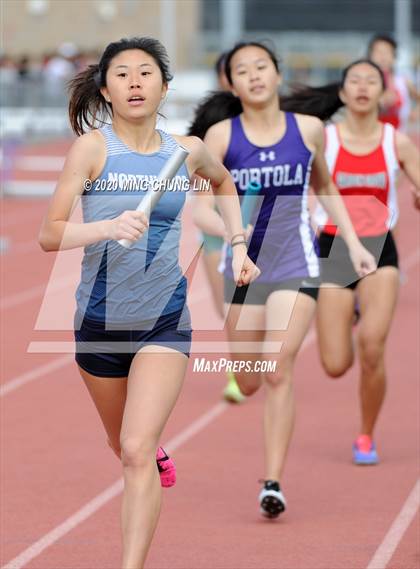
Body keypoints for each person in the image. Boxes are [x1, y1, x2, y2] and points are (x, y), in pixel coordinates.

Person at [38, 37, 258, 569]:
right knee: (124, 444)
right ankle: (151, 451)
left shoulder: (185, 151)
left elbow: (223, 183)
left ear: (164, 86)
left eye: (145, 73)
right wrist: (107, 226)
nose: (135, 82)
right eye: (121, 74)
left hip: (164, 321)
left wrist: (238, 244)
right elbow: (50, 234)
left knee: (135, 450)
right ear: (106, 90)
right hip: (99, 322)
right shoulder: (92, 149)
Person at [191, 41, 375, 518]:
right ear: (231, 83)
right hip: (244, 271)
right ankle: (245, 379)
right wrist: (236, 232)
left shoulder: (309, 129)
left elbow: (326, 188)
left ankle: (272, 481)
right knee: (250, 378)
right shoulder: (221, 138)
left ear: (276, 74)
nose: (253, 75)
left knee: (278, 368)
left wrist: (353, 246)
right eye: (242, 70)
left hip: (298, 264)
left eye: (261, 67)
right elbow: (201, 209)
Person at [305, 59, 420, 465]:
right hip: (334, 250)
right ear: (342, 92)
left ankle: (366, 434)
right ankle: (349, 311)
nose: (363, 87)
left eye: (372, 81)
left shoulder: (397, 143)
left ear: (382, 93)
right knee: (336, 364)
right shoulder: (325, 140)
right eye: (355, 80)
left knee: (372, 347)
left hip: (378, 251)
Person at [189, 89, 247, 403]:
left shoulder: (253, 132)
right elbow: (200, 208)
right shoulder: (213, 124)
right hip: (216, 232)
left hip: (256, 229)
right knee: (227, 309)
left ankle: (241, 370)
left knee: (250, 309)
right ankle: (239, 369)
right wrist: (232, 232)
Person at [368, 34, 420, 132]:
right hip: (371, 138)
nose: (382, 57)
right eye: (378, 52)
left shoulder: (402, 81)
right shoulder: (364, 82)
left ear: (394, 56)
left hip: (398, 137)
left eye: (387, 52)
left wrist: (415, 113)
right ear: (370, 55)